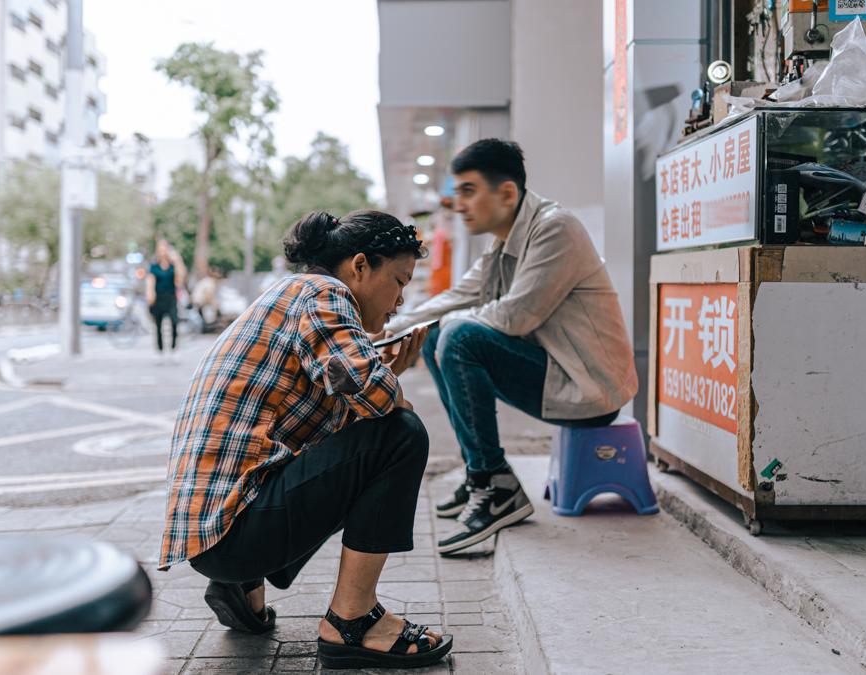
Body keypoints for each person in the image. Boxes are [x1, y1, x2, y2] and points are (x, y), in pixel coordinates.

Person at [158, 210, 454, 670]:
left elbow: (330, 437)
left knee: (378, 433)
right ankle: (352, 621)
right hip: (234, 530)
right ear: (360, 266)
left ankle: (245, 587)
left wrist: (383, 379)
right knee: (402, 435)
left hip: (215, 535)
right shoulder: (324, 293)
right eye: (399, 281)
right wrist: (390, 387)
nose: (400, 300)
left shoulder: (289, 294)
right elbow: (376, 400)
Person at [386, 139, 639, 555]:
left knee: (459, 337)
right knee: (437, 336)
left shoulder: (555, 229)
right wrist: (387, 329)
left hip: (590, 387)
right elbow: (458, 296)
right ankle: (481, 476)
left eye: (468, 191)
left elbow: (516, 317)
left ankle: (496, 484)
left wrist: (447, 325)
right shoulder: (504, 242)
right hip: (557, 372)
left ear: (506, 193)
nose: (459, 204)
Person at [146, 239, 185, 363]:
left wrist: (177, 260)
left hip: (171, 298)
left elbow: (180, 279)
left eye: (164, 249)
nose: (162, 252)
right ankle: (159, 350)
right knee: (158, 325)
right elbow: (150, 281)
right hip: (158, 298)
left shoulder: (173, 265)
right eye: (160, 249)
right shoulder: (154, 266)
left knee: (174, 322)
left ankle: (174, 349)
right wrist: (150, 294)